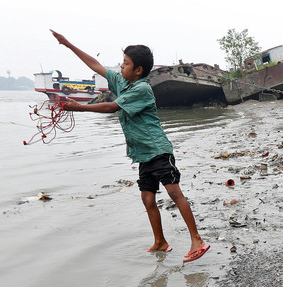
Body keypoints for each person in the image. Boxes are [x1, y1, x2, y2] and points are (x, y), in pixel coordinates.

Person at [50, 30, 209, 263]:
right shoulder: (122, 82)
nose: (121, 67)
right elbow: (96, 65)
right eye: (122, 62)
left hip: (158, 150)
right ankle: (160, 242)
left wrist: (79, 107)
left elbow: (112, 107)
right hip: (143, 154)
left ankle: (197, 240)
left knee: (174, 192)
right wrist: (68, 44)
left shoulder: (141, 89)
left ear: (139, 71)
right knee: (147, 198)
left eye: (125, 63)